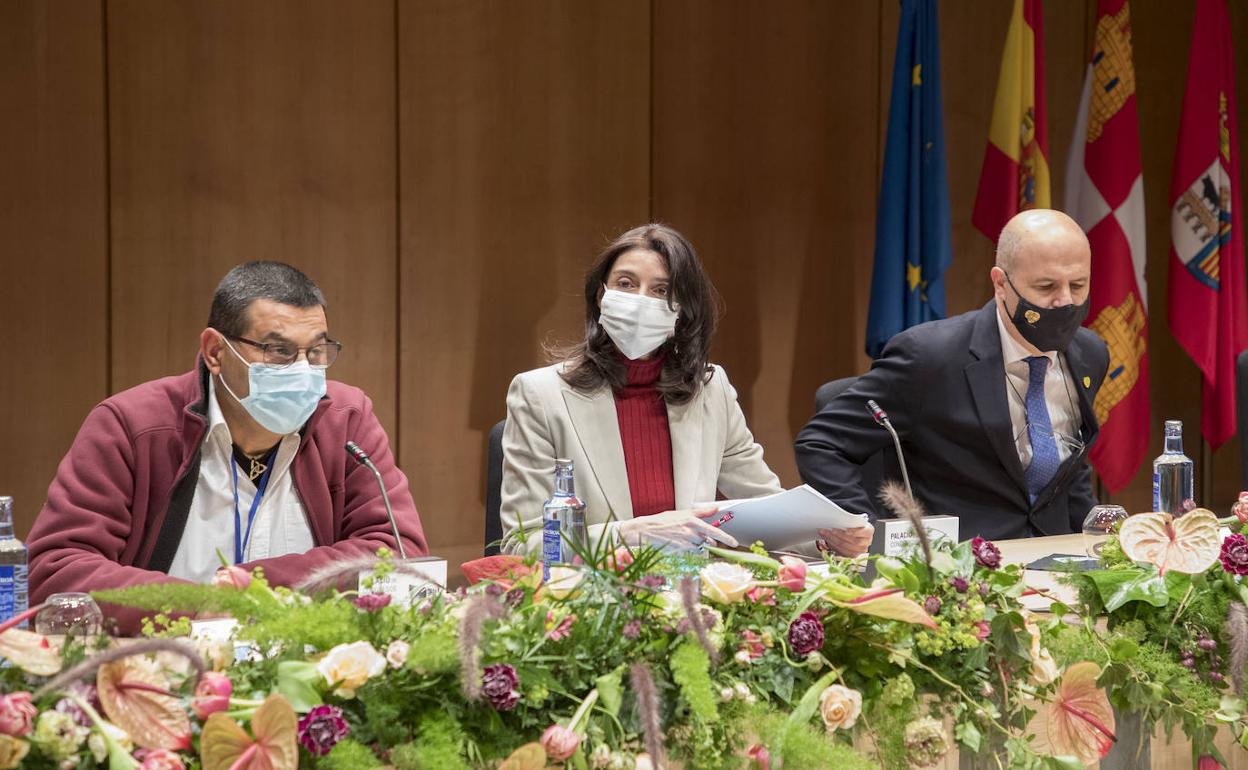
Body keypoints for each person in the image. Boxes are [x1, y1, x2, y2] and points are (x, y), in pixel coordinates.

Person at [28, 261, 426, 619]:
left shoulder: (345, 419)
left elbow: (396, 549)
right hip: (165, 665)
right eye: (279, 351)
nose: (304, 371)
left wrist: (256, 586)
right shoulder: (132, 426)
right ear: (215, 351)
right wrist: (198, 607)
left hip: (312, 665)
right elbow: (57, 568)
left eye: (317, 351)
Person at [500, 224, 873, 556]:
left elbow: (766, 506)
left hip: (693, 600)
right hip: (595, 608)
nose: (641, 300)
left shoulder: (711, 390)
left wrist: (827, 536)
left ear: (681, 310)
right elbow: (523, 544)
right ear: (601, 295)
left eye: (661, 290)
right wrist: (633, 533)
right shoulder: (541, 395)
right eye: (626, 284)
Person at [795, 209, 1109, 540]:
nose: (1065, 302)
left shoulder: (1090, 354)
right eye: (1046, 286)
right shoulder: (929, 357)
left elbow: (1068, 468)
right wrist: (860, 525)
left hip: (1057, 556)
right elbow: (821, 442)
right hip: (961, 565)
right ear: (1001, 283)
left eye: (1078, 285)